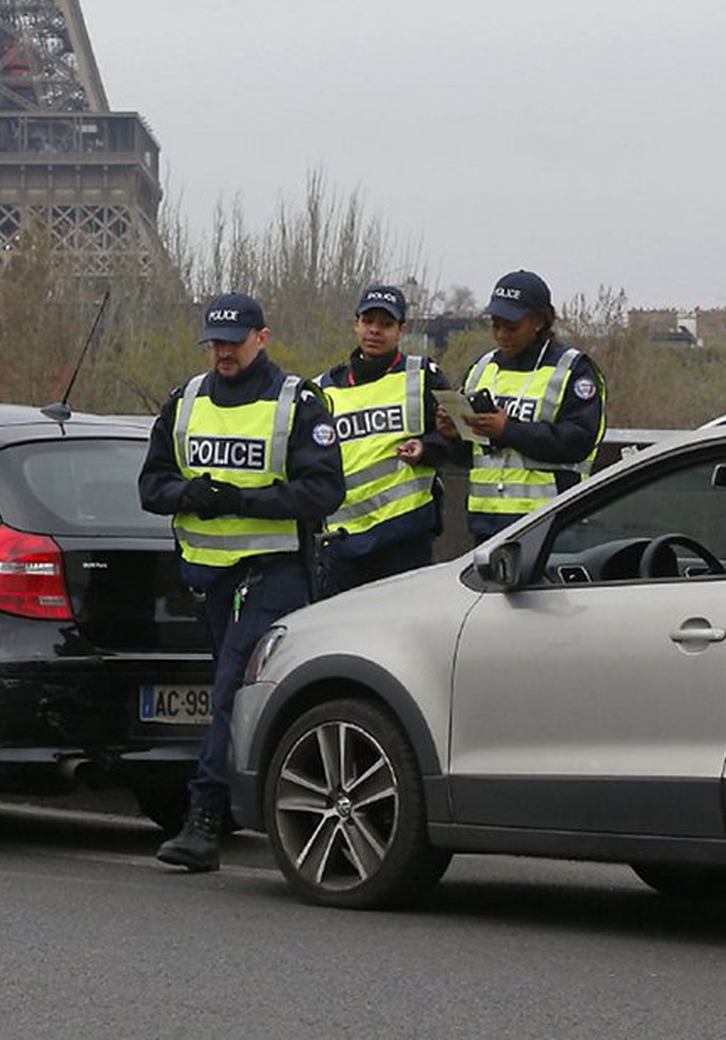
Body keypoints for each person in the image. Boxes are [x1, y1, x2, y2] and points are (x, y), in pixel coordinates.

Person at [139, 292, 344, 872]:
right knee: (236, 696)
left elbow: (325, 491)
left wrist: (242, 501)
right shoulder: (185, 400)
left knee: (230, 687)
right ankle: (250, 802)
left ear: (263, 337)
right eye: (216, 342)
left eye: (234, 340)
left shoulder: (297, 403)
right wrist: (190, 494)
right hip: (209, 577)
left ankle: (203, 820)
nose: (223, 351)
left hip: (274, 571)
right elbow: (151, 485)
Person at [436, 271, 607, 544]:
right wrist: (453, 433)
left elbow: (579, 442)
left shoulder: (572, 369)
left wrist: (508, 430)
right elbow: (470, 456)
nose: (502, 335)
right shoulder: (482, 368)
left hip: (552, 522)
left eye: (512, 327)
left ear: (539, 321)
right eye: (495, 325)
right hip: (487, 522)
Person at [313, 283, 458, 595]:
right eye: (368, 322)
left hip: (404, 535)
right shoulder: (324, 388)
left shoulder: (424, 374)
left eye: (386, 324)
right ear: (356, 324)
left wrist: (426, 447)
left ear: (401, 329)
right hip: (344, 539)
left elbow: (459, 438)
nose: (375, 331)